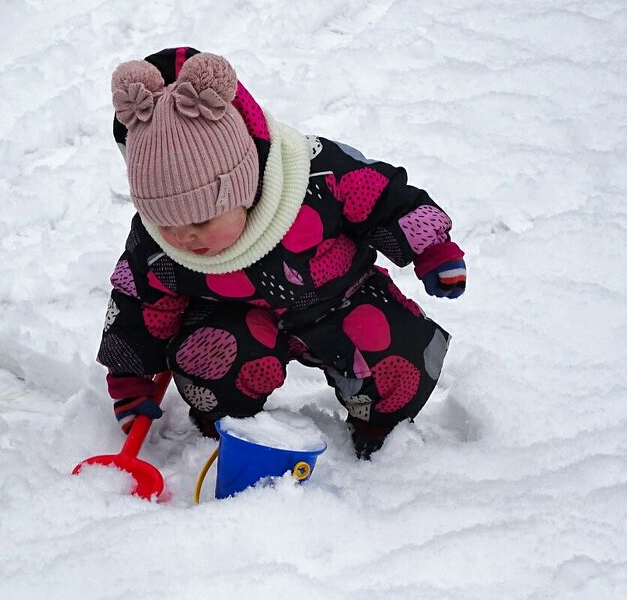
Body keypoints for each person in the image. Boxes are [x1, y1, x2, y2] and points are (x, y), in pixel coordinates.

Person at [98, 47, 466, 458]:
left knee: (400, 360)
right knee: (207, 364)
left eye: (201, 222)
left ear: (243, 186)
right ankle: (231, 431)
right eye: (166, 223)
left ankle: (381, 433)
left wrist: (432, 246)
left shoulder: (313, 174)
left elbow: (385, 195)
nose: (183, 238)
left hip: (342, 296)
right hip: (238, 315)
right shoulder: (158, 242)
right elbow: (137, 301)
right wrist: (129, 378)